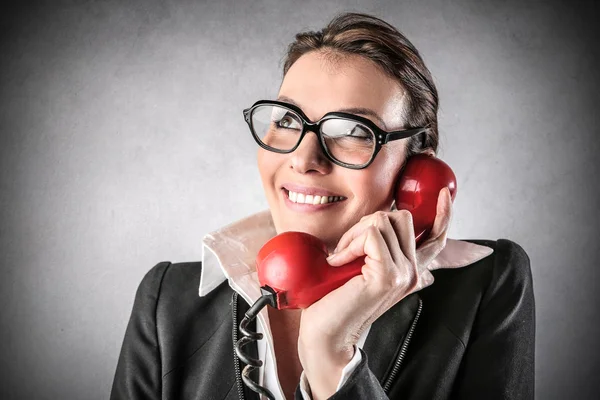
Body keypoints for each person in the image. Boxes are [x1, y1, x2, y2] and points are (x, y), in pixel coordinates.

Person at [110, 12, 535, 400]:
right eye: (288, 120)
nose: (304, 159)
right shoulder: (167, 301)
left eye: (352, 129)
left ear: (416, 172)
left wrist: (332, 356)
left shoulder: (487, 286)